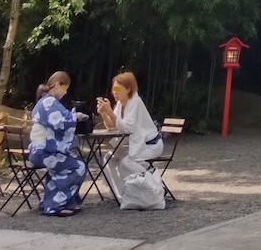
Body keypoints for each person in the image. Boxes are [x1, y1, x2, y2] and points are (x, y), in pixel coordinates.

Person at [95, 71, 163, 201]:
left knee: (126, 162)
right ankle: (118, 192)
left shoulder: (135, 102)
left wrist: (109, 111)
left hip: (150, 145)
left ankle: (153, 185)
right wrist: (104, 114)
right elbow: (113, 126)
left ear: (128, 89)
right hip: (134, 144)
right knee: (109, 157)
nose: (114, 92)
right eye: (113, 89)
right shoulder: (120, 104)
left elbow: (127, 128)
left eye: (118, 89)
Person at [28, 70, 87, 217]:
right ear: (56, 85)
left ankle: (53, 203)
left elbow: (62, 117)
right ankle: (56, 205)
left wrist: (72, 115)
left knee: (69, 165)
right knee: (78, 167)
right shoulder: (49, 102)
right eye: (65, 88)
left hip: (41, 151)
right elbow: (60, 123)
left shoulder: (46, 101)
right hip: (43, 151)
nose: (65, 92)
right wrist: (75, 117)